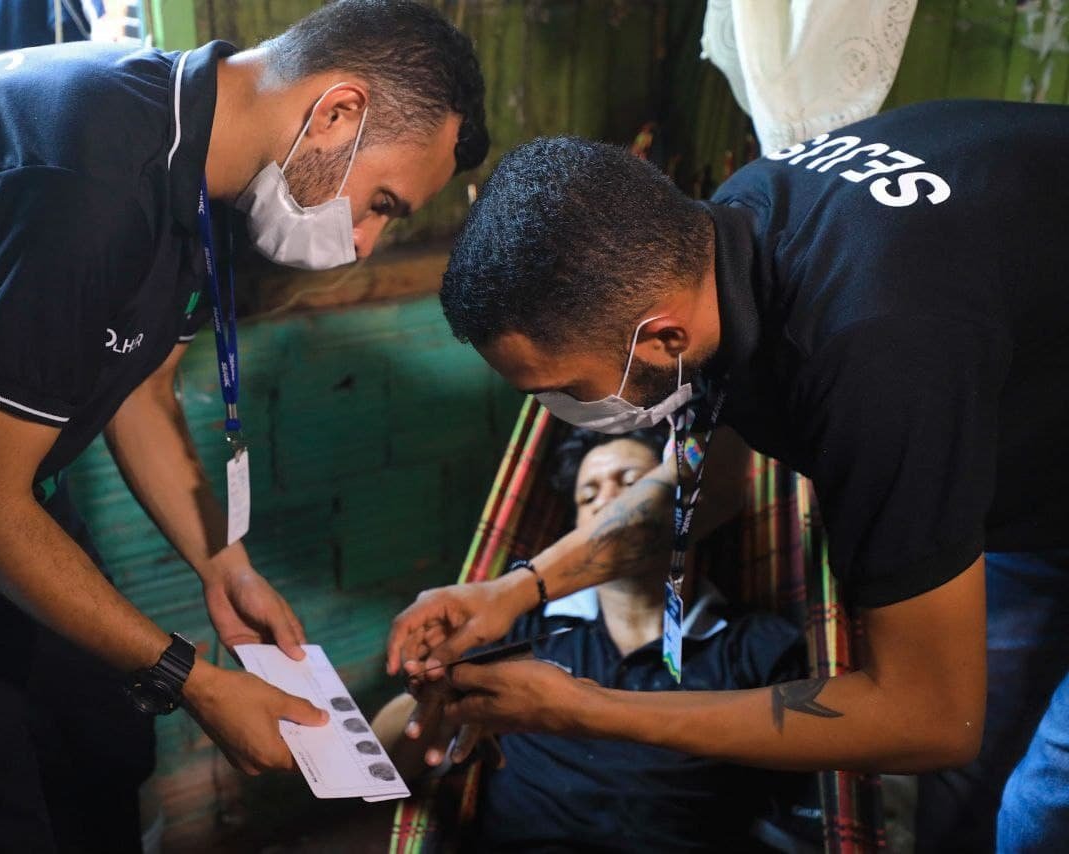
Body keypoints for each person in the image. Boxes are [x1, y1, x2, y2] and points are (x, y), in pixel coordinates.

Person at [0, 1, 488, 850]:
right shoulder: (85, 176)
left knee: (102, 745)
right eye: (380, 202)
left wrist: (223, 564)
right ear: (337, 112)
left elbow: (141, 389)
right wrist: (193, 680)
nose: (367, 242)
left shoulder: (208, 154)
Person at [386, 101, 1069, 853]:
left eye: (567, 389)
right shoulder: (723, 237)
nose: (562, 411)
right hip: (1028, 456)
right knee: (973, 775)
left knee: (1039, 808)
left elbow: (931, 719)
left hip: (948, 381)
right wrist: (515, 590)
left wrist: (586, 710)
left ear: (663, 338)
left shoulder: (876, 365)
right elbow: (707, 487)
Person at [374, 426, 816, 852]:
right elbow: (387, 761)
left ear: (687, 511)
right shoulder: (521, 632)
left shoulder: (757, 648)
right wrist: (432, 703)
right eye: (588, 496)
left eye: (634, 485)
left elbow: (810, 799)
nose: (608, 502)